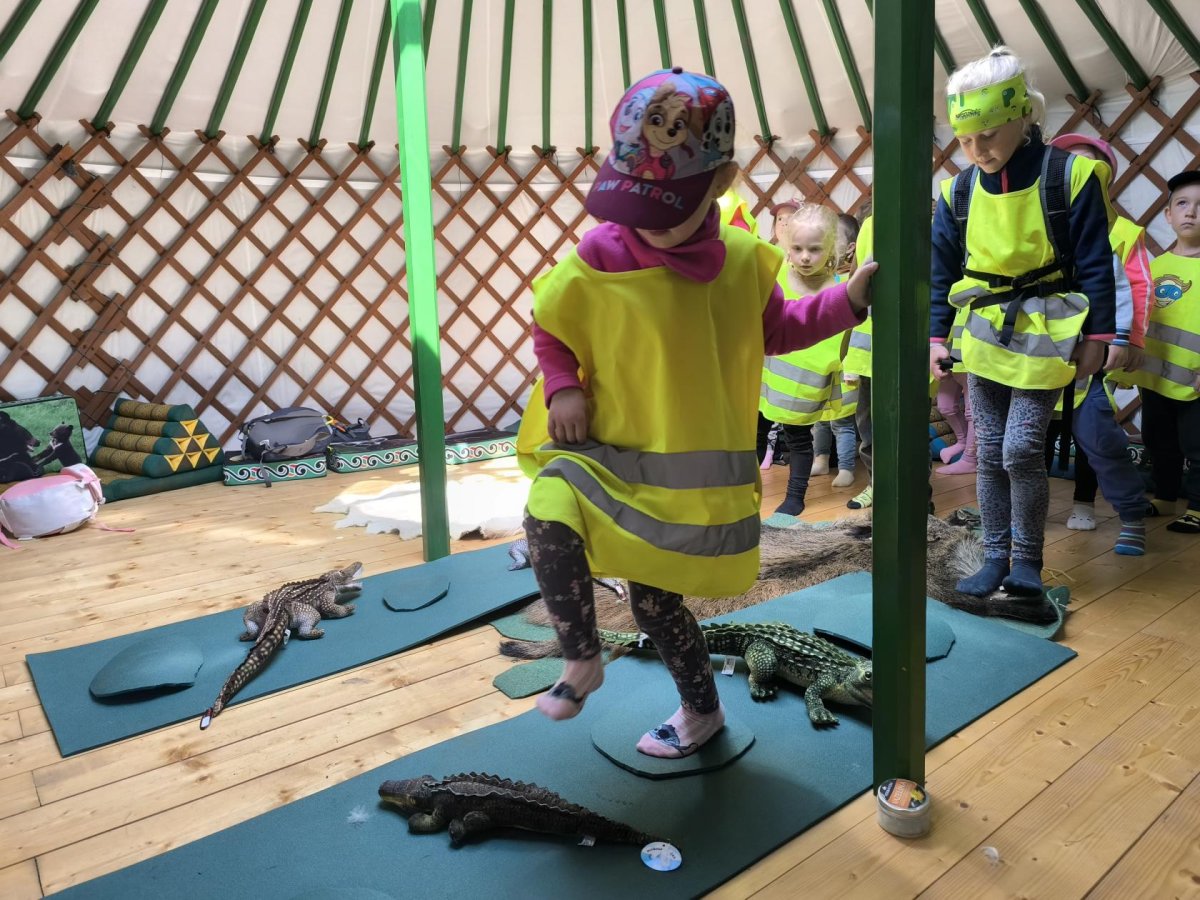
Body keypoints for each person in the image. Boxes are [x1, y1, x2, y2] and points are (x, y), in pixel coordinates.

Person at [518, 68, 877, 759]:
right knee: (546, 512)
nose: (646, 221)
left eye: (667, 206)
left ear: (721, 182)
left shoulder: (742, 262)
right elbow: (551, 324)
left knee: (655, 605)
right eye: (634, 201)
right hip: (604, 455)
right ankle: (581, 655)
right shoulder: (599, 253)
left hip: (686, 480)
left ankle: (702, 712)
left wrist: (850, 300)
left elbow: (779, 330)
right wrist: (562, 385)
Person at [929, 47, 1116, 598]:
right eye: (964, 139)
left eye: (988, 134)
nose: (976, 150)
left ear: (1023, 115)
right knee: (989, 450)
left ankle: (1027, 561)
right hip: (984, 332)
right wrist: (937, 335)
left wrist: (1099, 337)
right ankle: (995, 557)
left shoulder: (1071, 176)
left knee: (1019, 449)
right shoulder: (958, 191)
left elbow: (1095, 260)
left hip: (1049, 332)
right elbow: (943, 269)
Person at [1043, 132, 1151, 553]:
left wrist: (1122, 337)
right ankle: (1018, 520)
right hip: (1033, 362)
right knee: (1021, 446)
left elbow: (1120, 287)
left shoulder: (1102, 236)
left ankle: (1132, 515)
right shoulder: (1029, 226)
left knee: (1102, 441)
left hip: (1085, 361)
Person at [759, 204, 860, 511]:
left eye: (814, 249)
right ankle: (744, 490)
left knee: (799, 439)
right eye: (798, 248)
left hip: (810, 383)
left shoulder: (841, 290)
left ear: (832, 248)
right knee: (756, 432)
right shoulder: (774, 276)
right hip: (767, 377)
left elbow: (851, 336)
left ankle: (795, 496)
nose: (805, 257)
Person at [1118, 169, 1200, 534]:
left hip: (1195, 382)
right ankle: (1165, 497)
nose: (1191, 212)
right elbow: (1137, 321)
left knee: (1197, 445)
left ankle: (1197, 506)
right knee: (1159, 441)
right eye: (1182, 203)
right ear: (1167, 214)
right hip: (1155, 379)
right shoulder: (1155, 268)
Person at [842, 211, 876, 509]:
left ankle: (920, 493)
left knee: (909, 425)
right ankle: (875, 484)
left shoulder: (924, 223)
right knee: (866, 422)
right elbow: (854, 283)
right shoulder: (868, 225)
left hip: (908, 346)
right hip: (867, 348)